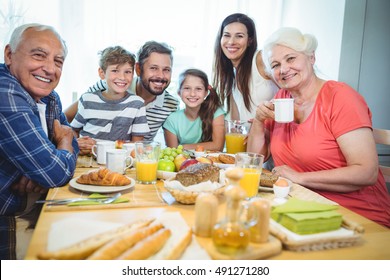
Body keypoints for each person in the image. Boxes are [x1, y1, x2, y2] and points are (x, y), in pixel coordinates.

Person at [247, 27, 390, 227]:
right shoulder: (282, 99)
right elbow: (255, 160)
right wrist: (259, 122)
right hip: (302, 207)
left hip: (355, 216)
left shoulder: (341, 98)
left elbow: (366, 172)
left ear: (311, 58)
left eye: (290, 59)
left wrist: (299, 178)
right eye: (276, 65)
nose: (284, 69)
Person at [0, 23, 79, 259]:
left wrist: (56, 155)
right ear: (9, 55)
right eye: (39, 55)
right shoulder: (5, 91)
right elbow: (53, 172)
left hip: (34, 206)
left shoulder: (48, 95)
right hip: (8, 221)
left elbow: (69, 137)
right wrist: (61, 146)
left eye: (58, 61)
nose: (49, 69)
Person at [65, 41, 179, 154]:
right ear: (138, 69)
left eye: (166, 70)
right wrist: (74, 143)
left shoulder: (171, 105)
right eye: (153, 68)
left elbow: (172, 147)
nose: (160, 75)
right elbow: (66, 117)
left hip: (129, 160)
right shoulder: (104, 86)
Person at [70, 45, 149, 153]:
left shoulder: (137, 104)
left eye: (127, 72)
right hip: (86, 159)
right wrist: (77, 142)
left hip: (120, 160)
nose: (122, 77)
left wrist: (101, 148)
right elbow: (74, 130)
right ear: (102, 73)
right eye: (115, 71)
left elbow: (137, 145)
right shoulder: (88, 100)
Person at [212, 13, 278, 121]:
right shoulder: (231, 73)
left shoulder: (260, 58)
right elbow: (235, 122)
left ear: (250, 40)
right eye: (227, 35)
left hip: (272, 135)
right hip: (249, 137)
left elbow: (291, 92)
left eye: (239, 36)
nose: (231, 42)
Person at [163, 69, 225, 151]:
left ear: (206, 93)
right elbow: (173, 153)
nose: (192, 94)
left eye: (198, 89)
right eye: (187, 88)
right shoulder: (172, 120)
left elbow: (218, 146)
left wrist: (182, 147)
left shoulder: (216, 113)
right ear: (179, 92)